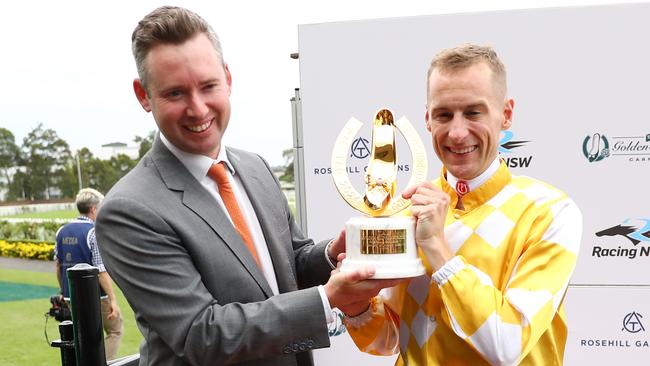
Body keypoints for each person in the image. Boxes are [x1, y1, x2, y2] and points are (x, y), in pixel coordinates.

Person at [95, 6, 398, 366]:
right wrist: (327, 298)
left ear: (228, 78)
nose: (198, 108)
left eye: (208, 86)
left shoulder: (254, 167)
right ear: (143, 95)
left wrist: (332, 253)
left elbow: (290, 266)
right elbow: (201, 334)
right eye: (175, 93)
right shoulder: (129, 210)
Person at [343, 44, 583, 365]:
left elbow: (507, 345)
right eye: (444, 114)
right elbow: (387, 341)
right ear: (427, 119)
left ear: (506, 114)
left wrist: (437, 249)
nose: (457, 133)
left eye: (473, 112)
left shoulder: (550, 211)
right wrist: (354, 302)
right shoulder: (405, 211)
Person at [55, 188, 124, 360]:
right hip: (96, 296)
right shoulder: (93, 231)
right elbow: (100, 271)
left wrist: (63, 291)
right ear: (93, 209)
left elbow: (58, 265)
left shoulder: (62, 231)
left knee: (85, 336)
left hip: (71, 295)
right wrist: (113, 299)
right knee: (115, 329)